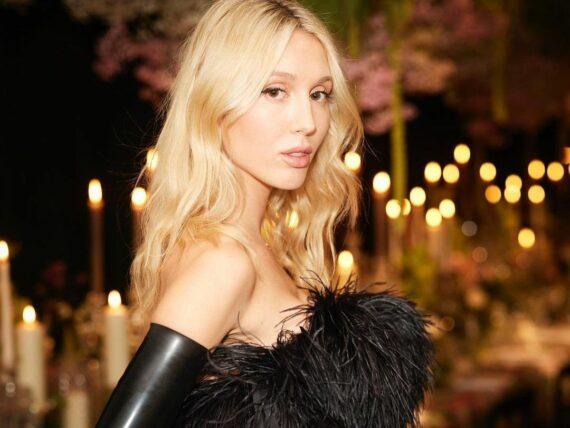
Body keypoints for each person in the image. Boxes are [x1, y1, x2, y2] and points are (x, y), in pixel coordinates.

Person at [95, 0, 435, 427]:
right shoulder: (221, 261)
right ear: (215, 103)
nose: (307, 121)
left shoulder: (253, 243)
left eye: (319, 94)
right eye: (275, 91)